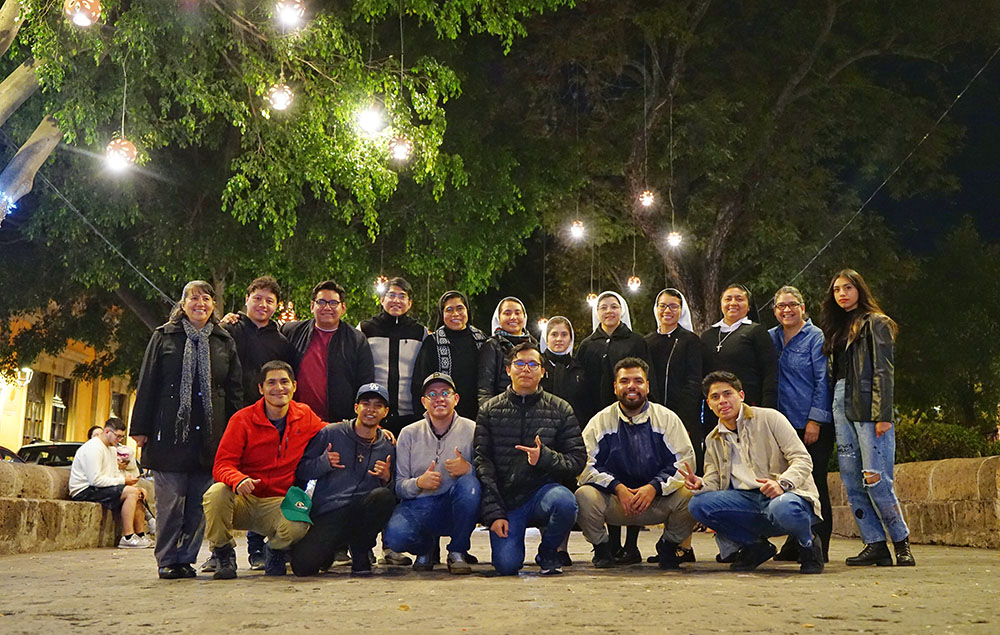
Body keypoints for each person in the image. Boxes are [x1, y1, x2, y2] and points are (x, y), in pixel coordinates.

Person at [130, 280, 243, 579]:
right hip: (169, 433)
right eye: (193, 298)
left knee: (198, 505)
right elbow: (148, 382)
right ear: (182, 304)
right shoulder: (164, 336)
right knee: (170, 503)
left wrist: (235, 433)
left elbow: (234, 390)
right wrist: (139, 428)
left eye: (206, 299)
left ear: (213, 306)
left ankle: (186, 559)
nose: (200, 304)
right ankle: (167, 559)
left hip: (210, 434)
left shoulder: (223, 341)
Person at [682, 371, 824, 574]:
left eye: (727, 394)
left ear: (741, 395)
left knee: (783, 506)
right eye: (715, 397)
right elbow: (713, 480)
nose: (722, 401)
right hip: (746, 502)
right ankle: (755, 546)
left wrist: (782, 483)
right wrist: (700, 484)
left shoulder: (770, 418)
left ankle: (808, 544)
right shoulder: (713, 439)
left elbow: (802, 459)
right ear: (709, 404)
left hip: (786, 496)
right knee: (698, 504)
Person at [821, 269, 914, 567]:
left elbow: (884, 370)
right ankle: (874, 543)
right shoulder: (836, 328)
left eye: (848, 287)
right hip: (840, 401)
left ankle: (901, 542)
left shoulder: (877, 322)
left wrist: (883, 414)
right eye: (837, 290)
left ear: (860, 289)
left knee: (876, 478)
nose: (842, 294)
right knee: (851, 478)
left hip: (868, 405)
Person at [202, 361, 326, 579]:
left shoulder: (304, 415)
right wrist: (238, 480)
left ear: (294, 386)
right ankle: (223, 552)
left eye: (284, 382)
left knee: (299, 522)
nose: (279, 388)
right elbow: (221, 465)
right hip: (243, 499)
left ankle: (275, 550)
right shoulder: (242, 419)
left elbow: (332, 431)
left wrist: (374, 431)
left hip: (278, 502)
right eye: (271, 383)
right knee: (216, 493)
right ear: (261, 388)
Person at [474, 342, 586, 576]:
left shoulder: (561, 409)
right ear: (508, 370)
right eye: (520, 364)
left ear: (543, 372)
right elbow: (482, 463)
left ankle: (548, 552)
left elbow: (577, 459)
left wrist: (544, 457)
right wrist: (494, 514)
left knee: (566, 502)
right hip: (507, 501)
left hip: (542, 494)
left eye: (533, 364)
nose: (526, 369)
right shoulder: (489, 410)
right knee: (507, 565)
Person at [576, 358, 696, 569]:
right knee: (583, 496)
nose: (631, 386)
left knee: (691, 495)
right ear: (615, 387)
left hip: (655, 502)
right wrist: (617, 487)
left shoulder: (667, 419)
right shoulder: (600, 421)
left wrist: (653, 487)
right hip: (615, 501)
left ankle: (668, 547)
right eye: (624, 381)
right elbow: (584, 465)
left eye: (638, 381)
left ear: (647, 386)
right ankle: (603, 549)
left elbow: (684, 464)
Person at [217, 275, 297, 571]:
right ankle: (220, 551)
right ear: (247, 299)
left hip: (268, 419)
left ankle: (258, 548)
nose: (263, 304)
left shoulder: (281, 341)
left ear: (276, 306)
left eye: (269, 301)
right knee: (227, 481)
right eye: (258, 298)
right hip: (232, 415)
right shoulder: (228, 330)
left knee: (264, 478)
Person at [576, 291, 655, 562]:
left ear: (621, 310)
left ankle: (631, 545)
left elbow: (645, 378)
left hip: (632, 416)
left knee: (634, 472)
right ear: (596, 312)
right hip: (599, 417)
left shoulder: (635, 340)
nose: (609, 311)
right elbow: (582, 381)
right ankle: (610, 544)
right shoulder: (588, 344)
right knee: (609, 473)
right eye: (603, 307)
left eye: (614, 306)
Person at [290, 383, 397, 576]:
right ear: (356, 408)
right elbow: (302, 471)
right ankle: (330, 550)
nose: (371, 409)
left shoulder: (388, 446)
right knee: (303, 567)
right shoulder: (331, 433)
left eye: (378, 405)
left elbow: (397, 488)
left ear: (385, 412)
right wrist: (323, 463)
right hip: (330, 512)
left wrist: (387, 478)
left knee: (384, 497)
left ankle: (361, 550)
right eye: (366, 403)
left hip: (362, 512)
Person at [359, 276, 427, 567]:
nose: (396, 300)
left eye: (402, 296)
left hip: (408, 416)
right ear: (382, 299)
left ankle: (391, 545)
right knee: (370, 476)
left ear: (410, 302)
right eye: (391, 295)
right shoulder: (365, 329)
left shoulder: (421, 332)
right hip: (375, 415)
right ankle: (359, 544)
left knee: (399, 479)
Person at [383, 372, 479, 574]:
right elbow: (399, 486)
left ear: (456, 398)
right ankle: (425, 548)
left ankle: (458, 551)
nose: (440, 398)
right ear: (423, 402)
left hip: (455, 504)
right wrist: (419, 483)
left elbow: (488, 475)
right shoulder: (408, 433)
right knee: (395, 537)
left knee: (470, 485)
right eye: (432, 394)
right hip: (420, 504)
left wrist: (468, 469)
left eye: (445, 392)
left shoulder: (473, 430)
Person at [769, 285, 834, 563]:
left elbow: (823, 380)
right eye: (781, 306)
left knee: (814, 483)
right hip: (781, 426)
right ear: (774, 311)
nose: (787, 310)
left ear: (803, 308)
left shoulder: (814, 337)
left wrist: (815, 420)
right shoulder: (771, 338)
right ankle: (795, 543)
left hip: (808, 424)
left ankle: (820, 545)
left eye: (792, 304)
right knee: (788, 484)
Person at [281, 280, 375, 423]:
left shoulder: (356, 339)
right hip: (296, 420)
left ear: (343, 308)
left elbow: (365, 383)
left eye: (333, 303)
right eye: (321, 302)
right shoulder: (292, 331)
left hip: (339, 423)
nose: (327, 307)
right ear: (312, 306)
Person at [645, 288, 704, 472]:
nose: (667, 311)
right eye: (663, 306)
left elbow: (694, 382)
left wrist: (683, 420)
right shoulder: (646, 341)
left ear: (681, 310)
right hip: (653, 416)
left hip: (684, 417)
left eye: (673, 306)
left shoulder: (691, 341)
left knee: (685, 467)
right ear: (656, 308)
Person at [70, 419, 150, 549]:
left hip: (100, 486)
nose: (119, 440)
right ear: (107, 432)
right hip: (84, 489)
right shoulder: (93, 448)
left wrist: (130, 483)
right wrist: (124, 482)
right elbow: (95, 480)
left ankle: (140, 534)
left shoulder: (112, 449)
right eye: (118, 436)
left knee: (138, 492)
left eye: (122, 437)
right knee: (131, 492)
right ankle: (128, 536)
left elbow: (114, 473)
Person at [700, 284, 778, 415]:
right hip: (716, 410)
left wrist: (767, 410)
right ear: (721, 304)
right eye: (728, 299)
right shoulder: (707, 336)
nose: (733, 303)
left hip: (749, 407)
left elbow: (769, 374)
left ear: (748, 307)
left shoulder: (757, 332)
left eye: (739, 299)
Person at [412, 290, 488, 421]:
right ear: (442, 314)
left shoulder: (481, 340)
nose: (455, 314)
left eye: (460, 308)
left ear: (467, 311)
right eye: (449, 310)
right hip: (440, 416)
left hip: (477, 415)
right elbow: (420, 382)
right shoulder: (432, 343)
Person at [478, 296, 536, 407]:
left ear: (524, 317)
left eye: (517, 313)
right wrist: (488, 414)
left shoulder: (533, 345)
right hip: (501, 412)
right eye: (507, 313)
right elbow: (485, 388)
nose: (513, 317)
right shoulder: (493, 345)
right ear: (499, 318)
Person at [540, 316, 587, 423]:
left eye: (564, 334)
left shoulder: (578, 368)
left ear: (571, 338)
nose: (559, 339)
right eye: (554, 334)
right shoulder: (538, 365)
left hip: (573, 426)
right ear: (546, 338)